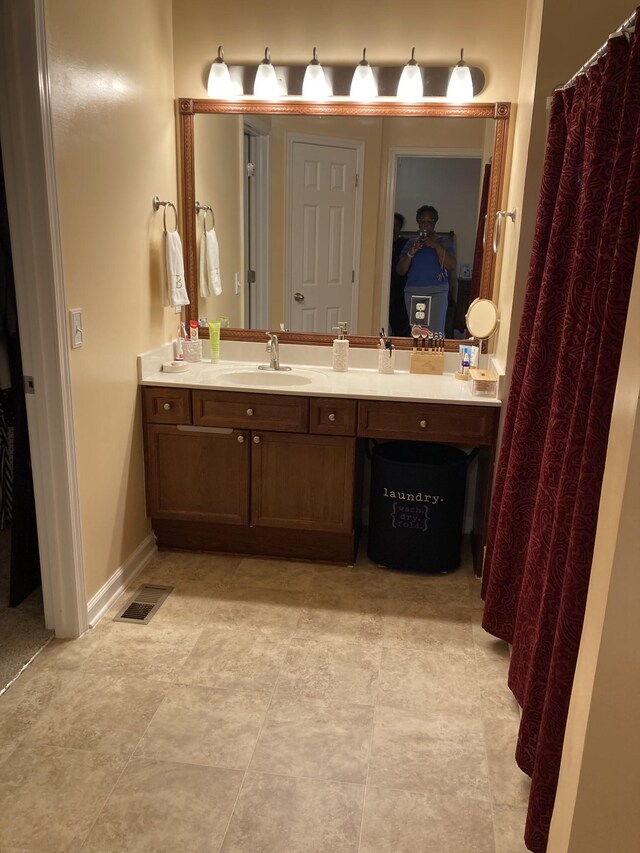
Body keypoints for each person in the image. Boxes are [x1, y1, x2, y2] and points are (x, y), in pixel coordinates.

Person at [396, 204, 455, 335]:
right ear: (418, 222)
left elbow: (451, 265)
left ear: (435, 222)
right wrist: (411, 252)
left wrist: (435, 246)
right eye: (422, 221)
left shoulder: (444, 241)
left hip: (437, 291)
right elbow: (400, 270)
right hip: (414, 291)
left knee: (436, 334)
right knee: (417, 333)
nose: (426, 225)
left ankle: (434, 355)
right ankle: (418, 355)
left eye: (430, 221)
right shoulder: (411, 243)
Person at [388, 212, 410, 337]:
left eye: (396, 225)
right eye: (392, 225)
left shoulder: (405, 243)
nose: (394, 228)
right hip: (388, 282)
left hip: (401, 283)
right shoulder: (383, 244)